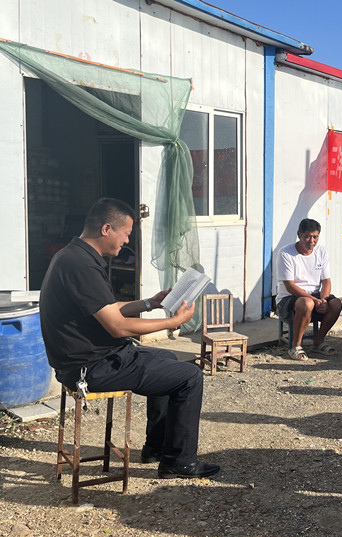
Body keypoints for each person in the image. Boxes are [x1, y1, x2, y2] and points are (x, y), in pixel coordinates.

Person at [39, 198, 220, 479]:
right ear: (106, 229)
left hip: (91, 358)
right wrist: (173, 322)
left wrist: (150, 303)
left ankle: (155, 448)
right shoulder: (81, 266)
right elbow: (117, 327)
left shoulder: (73, 256)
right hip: (90, 367)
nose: (126, 241)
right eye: (126, 234)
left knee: (168, 359)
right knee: (190, 376)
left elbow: (107, 310)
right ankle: (179, 461)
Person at [276, 218, 342, 361]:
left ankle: (318, 341)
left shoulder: (321, 251)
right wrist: (314, 300)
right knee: (307, 303)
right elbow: (290, 286)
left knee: (336, 304)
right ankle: (295, 346)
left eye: (315, 237)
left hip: (315, 296)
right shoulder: (286, 253)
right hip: (288, 300)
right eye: (307, 236)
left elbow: (326, 281)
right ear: (299, 234)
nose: (311, 241)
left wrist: (323, 300)